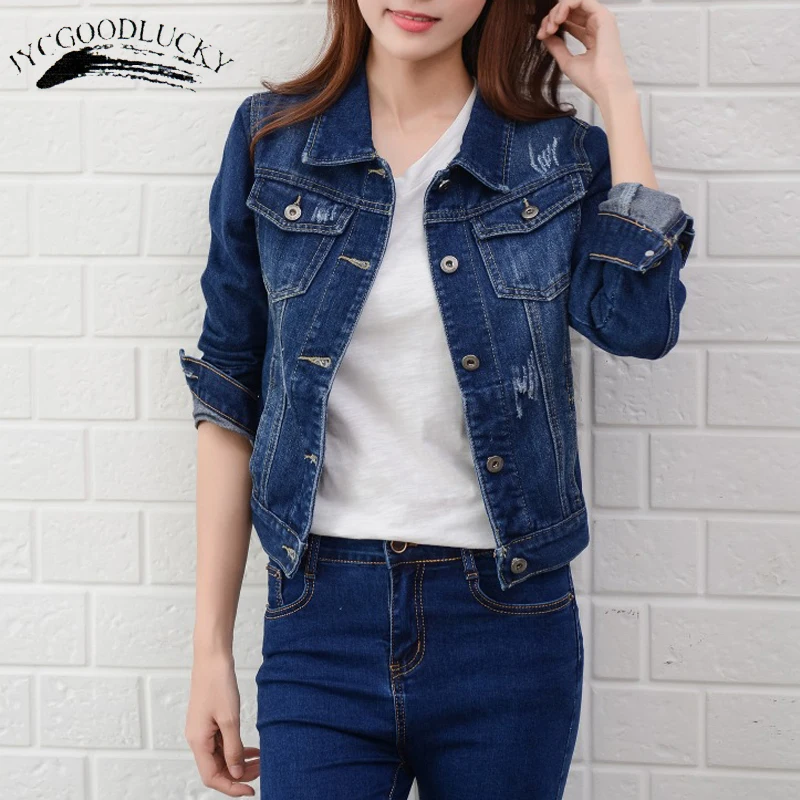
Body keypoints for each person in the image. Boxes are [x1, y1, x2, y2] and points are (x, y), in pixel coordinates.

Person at [180, 1, 696, 798]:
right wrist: (210, 649)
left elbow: (637, 324)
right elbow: (229, 389)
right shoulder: (273, 141)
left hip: (506, 621)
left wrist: (618, 97)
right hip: (321, 619)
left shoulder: (557, 156)